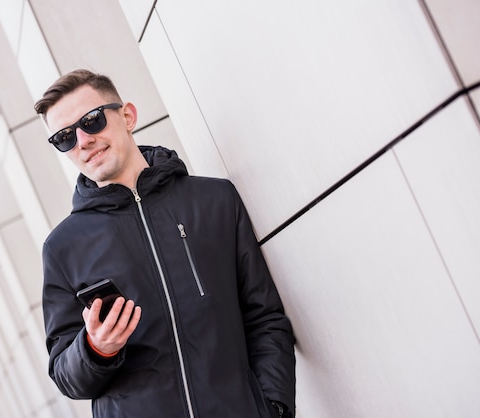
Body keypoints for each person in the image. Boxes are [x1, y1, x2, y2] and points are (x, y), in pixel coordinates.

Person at [35, 69, 296, 418]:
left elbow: (264, 317)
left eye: (92, 121)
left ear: (127, 115)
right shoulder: (63, 247)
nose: (82, 141)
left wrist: (274, 408)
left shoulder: (214, 200)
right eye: (65, 137)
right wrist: (95, 349)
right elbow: (67, 377)